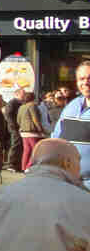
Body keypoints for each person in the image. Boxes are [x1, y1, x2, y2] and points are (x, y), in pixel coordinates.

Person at [52, 60, 90, 188]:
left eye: (89, 78)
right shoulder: (71, 106)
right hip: (66, 184)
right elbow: (56, 139)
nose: (85, 82)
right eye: (82, 78)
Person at [17, 89, 45, 171]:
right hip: (32, 131)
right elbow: (35, 119)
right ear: (33, 98)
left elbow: (18, 120)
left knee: (26, 150)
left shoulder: (21, 107)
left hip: (23, 131)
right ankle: (29, 167)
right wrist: (40, 129)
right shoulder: (32, 106)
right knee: (35, 150)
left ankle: (23, 167)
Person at [2, 92, 24, 171]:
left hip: (17, 127)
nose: (24, 96)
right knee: (15, 144)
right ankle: (10, 163)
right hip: (14, 127)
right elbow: (8, 115)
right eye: (22, 94)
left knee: (18, 144)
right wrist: (13, 126)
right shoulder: (12, 103)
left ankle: (16, 163)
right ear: (17, 94)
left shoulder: (19, 103)